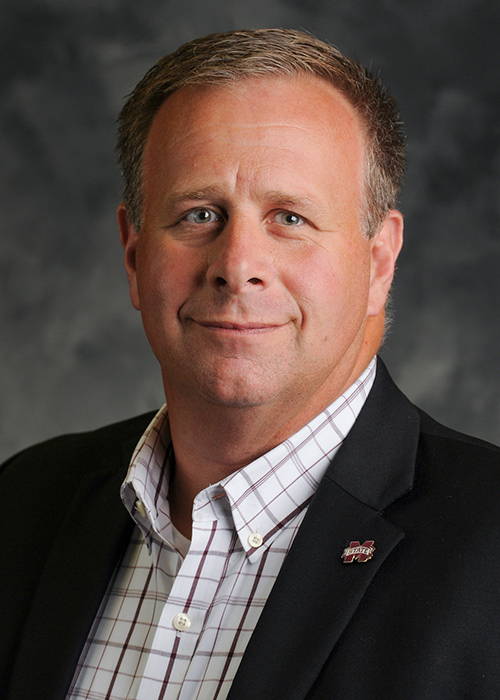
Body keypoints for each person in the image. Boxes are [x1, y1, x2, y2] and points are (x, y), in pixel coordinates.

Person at [1, 28, 500, 700]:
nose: (237, 267)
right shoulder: (23, 504)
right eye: (199, 214)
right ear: (133, 254)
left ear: (379, 262)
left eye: (290, 218)